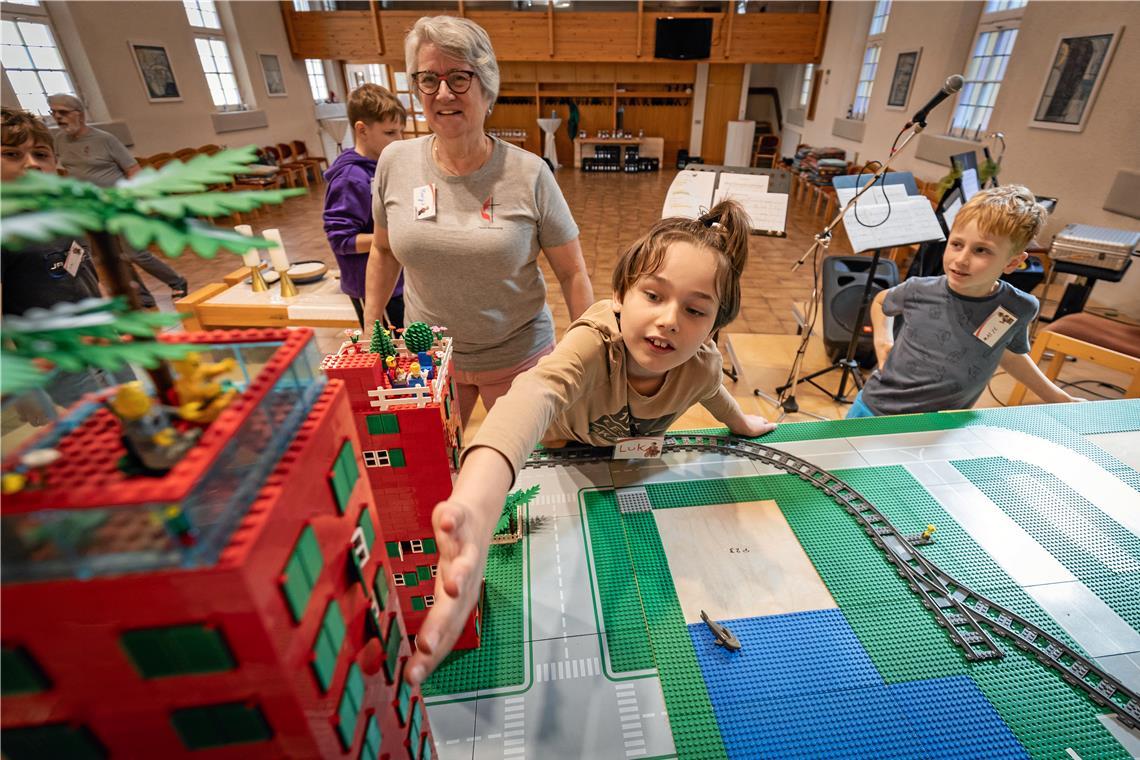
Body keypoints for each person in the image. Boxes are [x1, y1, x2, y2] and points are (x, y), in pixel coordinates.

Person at [402, 200, 777, 685]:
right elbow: (535, 392)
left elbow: (712, 391)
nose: (668, 320)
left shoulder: (700, 364)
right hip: (561, 455)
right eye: (653, 295)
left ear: (712, 328)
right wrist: (476, 502)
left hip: (626, 468)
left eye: (694, 310)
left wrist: (741, 422)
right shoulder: (595, 343)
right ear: (621, 294)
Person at [365, 16, 594, 427]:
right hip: (428, 359)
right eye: (428, 79)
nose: (443, 92)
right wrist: (370, 326)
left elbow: (572, 271)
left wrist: (587, 353)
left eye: (458, 77)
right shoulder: (394, 162)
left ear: (487, 86)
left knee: (529, 473)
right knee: (432, 466)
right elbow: (382, 250)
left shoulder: (530, 173)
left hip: (518, 355)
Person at [847, 185, 1080, 419]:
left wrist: (1058, 398)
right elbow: (880, 302)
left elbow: (1008, 353)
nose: (961, 259)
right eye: (956, 244)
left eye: (981, 250)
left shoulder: (1018, 307)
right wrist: (883, 340)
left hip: (939, 424)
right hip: (874, 410)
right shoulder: (918, 289)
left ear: (1012, 262)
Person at [1, 107, 116, 418]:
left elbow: (83, 272)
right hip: (56, 362)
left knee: (137, 419)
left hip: (102, 342)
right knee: (94, 438)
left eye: (41, 154)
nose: (31, 164)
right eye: (11, 154)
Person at [47, 93, 187, 306]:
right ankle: (141, 297)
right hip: (92, 209)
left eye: (63, 112)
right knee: (113, 256)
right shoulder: (59, 140)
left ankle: (177, 282)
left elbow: (133, 170)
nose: (58, 117)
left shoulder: (104, 139)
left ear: (79, 114)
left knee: (135, 253)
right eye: (54, 112)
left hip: (121, 205)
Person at [323, 83, 407, 329]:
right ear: (362, 130)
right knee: (388, 354)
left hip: (396, 279)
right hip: (370, 285)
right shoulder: (350, 178)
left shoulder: (381, 166)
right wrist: (392, 239)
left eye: (401, 132)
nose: (399, 140)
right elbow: (340, 240)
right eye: (390, 133)